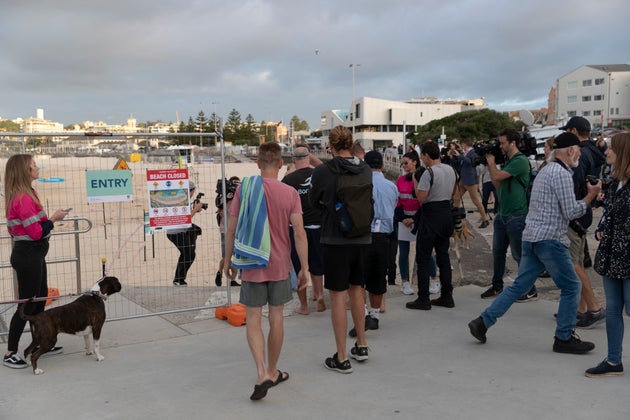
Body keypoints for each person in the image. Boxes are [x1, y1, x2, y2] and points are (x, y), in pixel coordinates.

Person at [468, 132, 601, 354]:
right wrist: (591, 196)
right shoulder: (562, 174)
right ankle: (564, 337)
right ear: (570, 151)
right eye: (578, 150)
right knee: (572, 286)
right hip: (549, 240)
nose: (579, 154)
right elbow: (570, 211)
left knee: (520, 285)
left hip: (531, 236)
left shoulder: (546, 170)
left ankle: (483, 322)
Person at [223, 142, 308, 400]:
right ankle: (272, 370)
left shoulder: (245, 190)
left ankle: (261, 372)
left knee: (254, 318)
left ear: (258, 163)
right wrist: (304, 267)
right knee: (277, 318)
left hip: (251, 262)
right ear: (281, 164)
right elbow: (299, 232)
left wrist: (227, 260)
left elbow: (232, 227)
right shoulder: (290, 193)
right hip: (280, 264)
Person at [310, 125, 372, 373]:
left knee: (337, 296)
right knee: (358, 290)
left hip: (335, 239)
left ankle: (342, 357)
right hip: (363, 236)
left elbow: (313, 202)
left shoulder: (325, 171)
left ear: (331, 146)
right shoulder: (365, 167)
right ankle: (362, 344)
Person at [3, 154, 69, 369]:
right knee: (27, 305)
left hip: (34, 255)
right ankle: (10, 352)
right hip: (28, 255)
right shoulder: (22, 198)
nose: (38, 168)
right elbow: (35, 233)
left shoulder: (28, 193)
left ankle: (41, 341)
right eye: (34, 165)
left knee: (39, 300)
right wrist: (54, 219)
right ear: (25, 171)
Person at [585, 132, 630, 377]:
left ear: (623, 152)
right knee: (613, 309)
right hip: (612, 255)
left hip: (627, 256)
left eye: (611, 148)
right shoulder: (615, 182)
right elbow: (609, 214)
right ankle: (614, 361)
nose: (606, 152)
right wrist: (602, 229)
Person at [560, 116, 607, 327]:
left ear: (574, 131)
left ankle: (594, 307)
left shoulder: (580, 153)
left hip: (575, 214)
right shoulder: (593, 152)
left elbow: (572, 187)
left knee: (572, 264)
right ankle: (578, 309)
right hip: (584, 213)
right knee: (577, 262)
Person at [480, 128, 533, 300]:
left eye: (503, 143)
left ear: (513, 143)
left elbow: (495, 175)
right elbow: (497, 183)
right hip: (503, 214)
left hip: (517, 215)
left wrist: (490, 162)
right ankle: (497, 286)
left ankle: (530, 289)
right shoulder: (509, 162)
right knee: (498, 253)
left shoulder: (520, 161)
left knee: (519, 255)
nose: (500, 146)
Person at [348, 151, 397, 336]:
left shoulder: (361, 184)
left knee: (358, 281)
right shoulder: (391, 187)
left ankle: (364, 314)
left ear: (365, 166)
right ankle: (374, 316)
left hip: (363, 236)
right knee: (378, 278)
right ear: (382, 166)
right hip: (383, 237)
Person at [406, 141, 457, 310]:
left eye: (422, 157)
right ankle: (447, 296)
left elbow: (421, 199)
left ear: (427, 156)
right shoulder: (450, 169)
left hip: (430, 216)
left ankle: (423, 298)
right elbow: (454, 193)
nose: (422, 159)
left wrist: (415, 180)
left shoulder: (428, 173)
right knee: (443, 257)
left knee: (423, 258)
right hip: (446, 215)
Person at [281, 145, 325, 314]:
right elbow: (327, 169)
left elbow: (283, 207)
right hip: (317, 226)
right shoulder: (318, 174)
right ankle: (319, 295)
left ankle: (304, 306)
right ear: (309, 158)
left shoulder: (288, 180)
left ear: (293, 160)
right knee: (317, 264)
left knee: (301, 266)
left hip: (297, 228)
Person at [167, 181, 204, 286]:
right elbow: (185, 219)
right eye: (192, 191)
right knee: (189, 255)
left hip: (178, 231)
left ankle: (179, 279)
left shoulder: (181, 199)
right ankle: (179, 279)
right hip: (176, 232)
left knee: (186, 254)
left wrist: (195, 210)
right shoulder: (181, 200)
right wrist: (195, 209)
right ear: (190, 191)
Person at [451, 138, 490, 228]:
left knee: (475, 200)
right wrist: (453, 157)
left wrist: (460, 156)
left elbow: (470, 162)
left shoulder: (473, 153)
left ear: (465, 144)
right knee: (456, 197)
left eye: (462, 145)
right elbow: (461, 163)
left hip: (470, 180)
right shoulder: (465, 153)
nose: (461, 147)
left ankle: (485, 219)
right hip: (463, 179)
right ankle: (456, 217)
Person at [215, 176, 240, 287]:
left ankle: (232, 280)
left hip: (236, 230)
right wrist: (227, 198)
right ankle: (220, 272)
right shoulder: (223, 198)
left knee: (235, 257)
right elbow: (221, 209)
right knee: (226, 256)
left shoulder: (238, 198)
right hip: (225, 230)